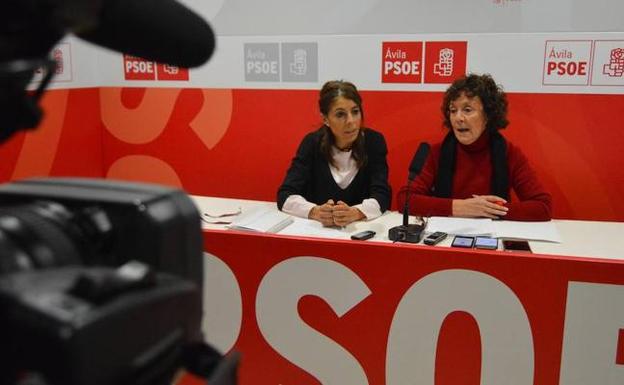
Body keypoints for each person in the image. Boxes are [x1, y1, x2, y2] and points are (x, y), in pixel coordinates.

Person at [397, 73, 552, 221]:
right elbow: (405, 199)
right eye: (453, 110)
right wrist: (461, 207)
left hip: (493, 240)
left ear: (488, 116)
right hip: (445, 236)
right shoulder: (436, 153)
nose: (458, 118)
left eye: (467, 110)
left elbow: (542, 206)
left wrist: (489, 209)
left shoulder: (508, 153)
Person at [277, 80, 391, 227]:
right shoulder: (312, 143)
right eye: (340, 114)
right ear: (325, 119)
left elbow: (382, 195)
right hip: (316, 232)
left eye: (355, 112)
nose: (351, 121)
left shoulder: (374, 142)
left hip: (359, 233)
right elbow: (285, 195)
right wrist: (314, 211)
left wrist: (356, 212)